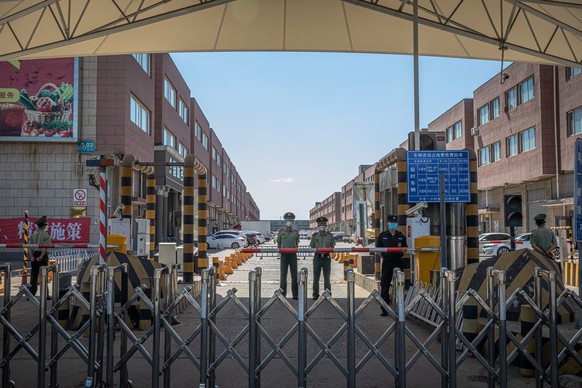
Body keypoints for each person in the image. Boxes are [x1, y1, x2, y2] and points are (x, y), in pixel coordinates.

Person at [375, 215, 407, 316]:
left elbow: (405, 248)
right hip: (387, 262)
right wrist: (384, 257)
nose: (393, 224)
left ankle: (400, 309)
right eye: (391, 222)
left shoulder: (401, 236)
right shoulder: (382, 235)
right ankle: (385, 308)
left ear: (397, 224)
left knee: (400, 285)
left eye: (395, 222)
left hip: (398, 261)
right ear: (387, 223)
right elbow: (378, 249)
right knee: (385, 285)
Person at [309, 216, 335, 300]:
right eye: (320, 224)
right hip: (317, 257)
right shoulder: (315, 236)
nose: (322, 225)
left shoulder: (330, 236)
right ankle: (315, 293)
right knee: (316, 277)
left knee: (326, 277)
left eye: (323, 224)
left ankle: (327, 292)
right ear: (317, 226)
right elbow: (312, 247)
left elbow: (332, 247)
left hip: (326, 258)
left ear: (326, 225)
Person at [277, 212, 300, 299]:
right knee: (283, 275)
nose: (289, 221)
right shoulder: (281, 232)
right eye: (287, 220)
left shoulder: (296, 233)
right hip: (284, 256)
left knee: (294, 275)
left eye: (290, 220)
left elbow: (296, 244)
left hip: (293, 255)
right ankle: (283, 294)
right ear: (285, 221)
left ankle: (295, 294)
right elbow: (279, 244)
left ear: (293, 222)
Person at [29, 215, 51, 296]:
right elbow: (45, 247)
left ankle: (31, 294)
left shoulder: (33, 235)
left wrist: (32, 257)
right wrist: (41, 257)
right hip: (42, 256)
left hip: (34, 255)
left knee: (34, 276)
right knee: (43, 275)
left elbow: (29, 247)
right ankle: (46, 294)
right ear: (44, 226)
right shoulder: (46, 235)